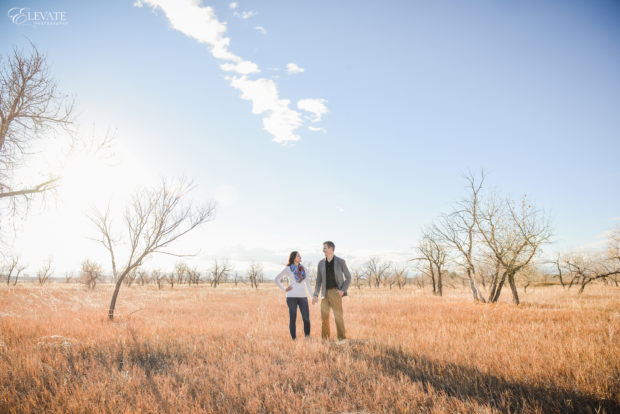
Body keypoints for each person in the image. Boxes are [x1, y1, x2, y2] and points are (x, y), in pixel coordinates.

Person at [312, 241, 351, 341]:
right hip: (324, 294)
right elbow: (318, 281)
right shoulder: (320, 263)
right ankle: (325, 340)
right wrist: (315, 295)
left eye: (325, 248)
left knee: (338, 317)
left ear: (331, 249)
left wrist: (342, 290)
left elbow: (348, 277)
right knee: (324, 318)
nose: (323, 250)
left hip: (336, 292)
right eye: (323, 248)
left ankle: (342, 339)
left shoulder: (340, 261)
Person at [274, 251, 312, 340]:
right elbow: (276, 279)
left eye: (300, 256)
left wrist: (312, 295)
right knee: (293, 319)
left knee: (306, 318)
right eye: (298, 256)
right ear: (294, 258)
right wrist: (284, 289)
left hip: (303, 297)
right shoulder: (288, 269)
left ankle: (307, 337)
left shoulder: (304, 269)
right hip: (291, 297)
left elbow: (308, 284)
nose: (300, 257)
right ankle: (293, 339)